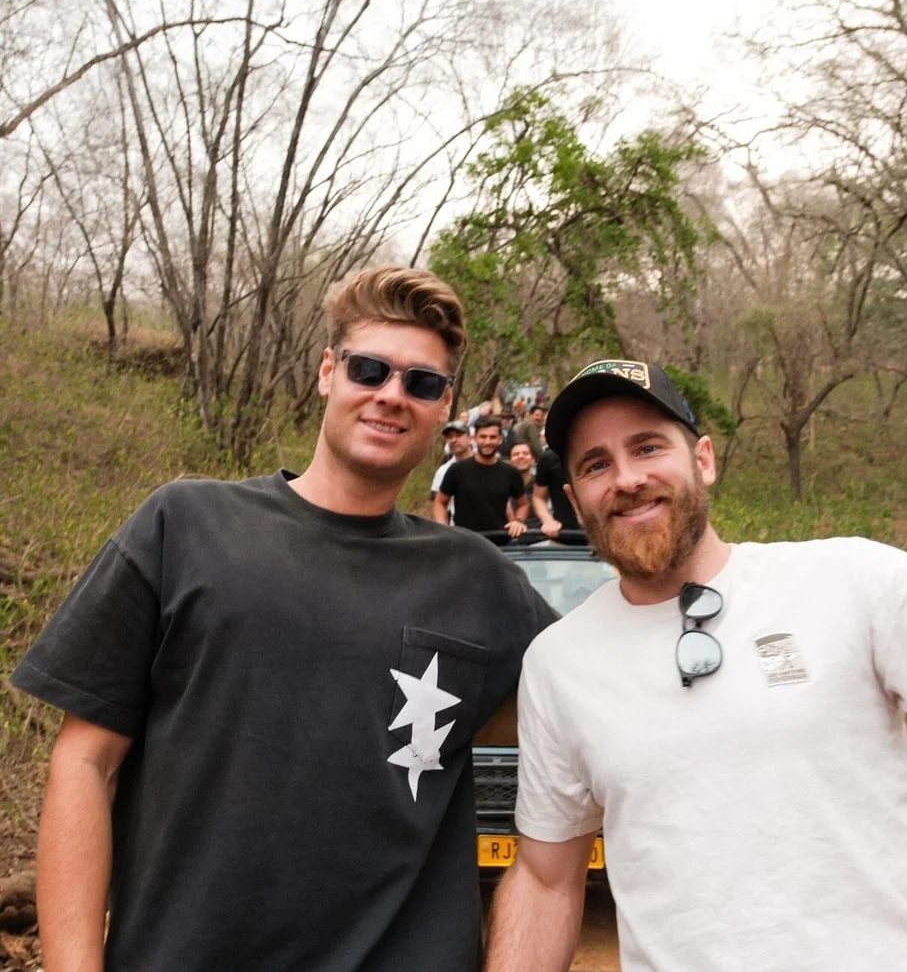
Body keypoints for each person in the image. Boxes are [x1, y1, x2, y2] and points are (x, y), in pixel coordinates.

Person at [12, 266, 557, 972]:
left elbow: (601, 709)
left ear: (444, 404)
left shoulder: (482, 583)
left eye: (421, 383)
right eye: (370, 369)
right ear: (328, 371)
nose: (392, 395)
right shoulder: (186, 525)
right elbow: (84, 763)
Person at [484, 358, 907, 972]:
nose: (627, 478)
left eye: (648, 447)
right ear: (576, 500)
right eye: (596, 464)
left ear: (704, 460)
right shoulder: (559, 663)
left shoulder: (849, 579)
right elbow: (547, 879)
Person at [434, 416, 528, 538]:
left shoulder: (510, 472)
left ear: (500, 439)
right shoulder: (457, 470)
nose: (487, 442)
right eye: (483, 437)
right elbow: (440, 502)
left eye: (492, 437)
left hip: (499, 543)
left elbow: (523, 504)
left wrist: (518, 521)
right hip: (465, 542)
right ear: (474, 439)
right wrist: (444, 527)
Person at [532, 444, 579, 540]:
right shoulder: (549, 458)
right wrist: (548, 521)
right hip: (562, 535)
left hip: (600, 537)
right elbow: (538, 497)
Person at [431, 419, 473, 521]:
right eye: (449, 437)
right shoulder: (443, 471)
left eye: (458, 435)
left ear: (470, 438)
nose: (453, 440)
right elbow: (437, 504)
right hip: (457, 528)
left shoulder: (485, 464)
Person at [508, 442, 540, 529]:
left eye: (525, 453)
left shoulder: (542, 485)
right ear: (510, 461)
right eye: (516, 454)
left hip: (540, 535)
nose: (521, 456)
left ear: (533, 460)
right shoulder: (503, 485)